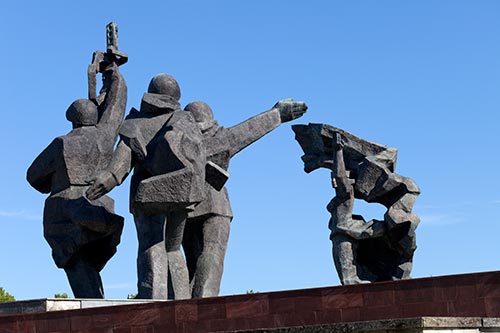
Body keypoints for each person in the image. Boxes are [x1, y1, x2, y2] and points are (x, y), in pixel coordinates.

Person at [86, 73, 206, 300]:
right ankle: (183, 304)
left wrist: (107, 179)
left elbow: (120, 164)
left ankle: (152, 300)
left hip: (148, 194)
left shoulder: (135, 123)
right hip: (181, 191)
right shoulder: (185, 121)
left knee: (151, 244)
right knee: (173, 247)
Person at [182, 99, 307, 298]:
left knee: (192, 260)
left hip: (185, 207)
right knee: (212, 253)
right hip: (216, 206)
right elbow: (247, 131)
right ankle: (205, 302)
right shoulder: (218, 138)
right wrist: (277, 114)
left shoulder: (179, 141)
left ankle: (184, 304)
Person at [27, 60, 127, 298]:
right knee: (88, 267)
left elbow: (33, 176)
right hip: (99, 208)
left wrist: (51, 183)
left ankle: (94, 313)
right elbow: (116, 107)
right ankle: (97, 307)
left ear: (71, 118)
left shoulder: (62, 143)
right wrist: (114, 77)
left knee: (77, 264)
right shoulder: (105, 136)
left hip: (65, 212)